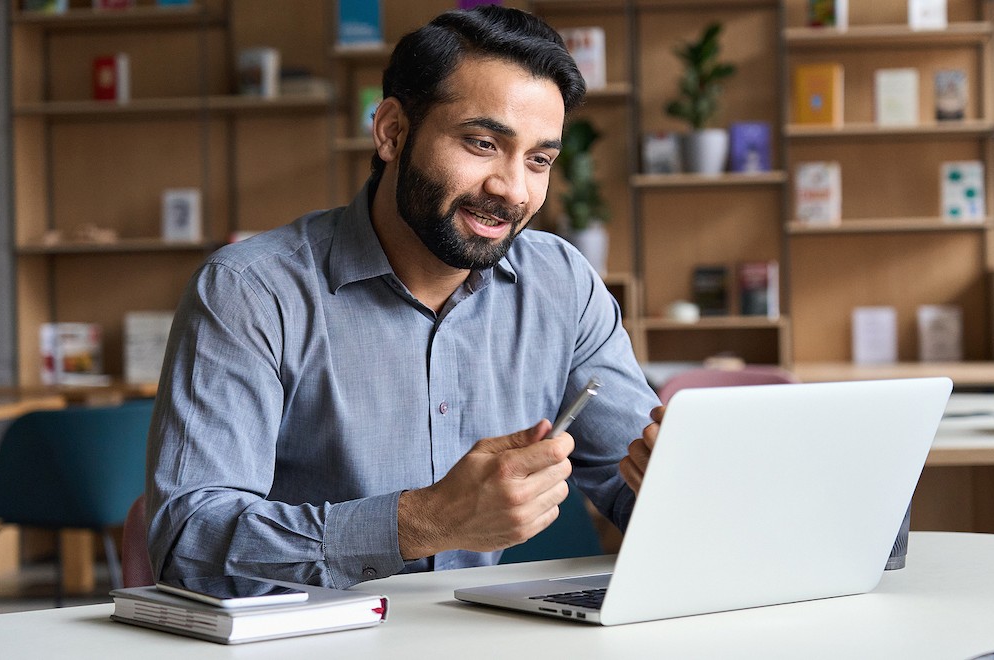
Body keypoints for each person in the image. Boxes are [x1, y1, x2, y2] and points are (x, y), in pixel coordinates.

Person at [146, 5, 663, 589]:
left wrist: (677, 479)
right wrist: (423, 522)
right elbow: (188, 542)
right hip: (307, 641)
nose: (513, 189)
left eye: (539, 159)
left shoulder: (561, 283)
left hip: (479, 636)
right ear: (392, 131)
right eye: (481, 143)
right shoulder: (250, 291)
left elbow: (637, 482)